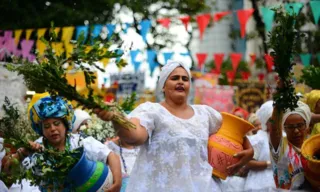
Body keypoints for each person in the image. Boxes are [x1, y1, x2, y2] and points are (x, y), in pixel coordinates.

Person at [94, 60, 254, 192]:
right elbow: (135, 137)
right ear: (163, 86)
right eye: (174, 78)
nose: (180, 81)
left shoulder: (205, 114)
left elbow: (235, 129)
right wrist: (117, 118)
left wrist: (249, 149)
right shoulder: (151, 110)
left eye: (185, 79)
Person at [6, 93, 122, 192]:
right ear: (41, 130)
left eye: (57, 123)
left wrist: (117, 182)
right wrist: (22, 154)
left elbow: (111, 156)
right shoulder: (35, 148)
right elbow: (7, 177)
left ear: (66, 124)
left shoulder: (79, 142)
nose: (52, 129)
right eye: (46, 126)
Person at [269, 100, 312, 190]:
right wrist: (280, 97)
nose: (296, 131)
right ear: (284, 128)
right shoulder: (281, 147)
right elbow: (274, 130)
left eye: (300, 125)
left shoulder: (313, 146)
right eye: (290, 127)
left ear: (306, 125)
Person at [243, 100, 276, 191]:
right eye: (272, 120)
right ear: (265, 121)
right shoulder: (257, 139)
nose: (276, 122)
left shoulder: (285, 137)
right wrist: (270, 164)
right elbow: (248, 162)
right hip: (258, 186)